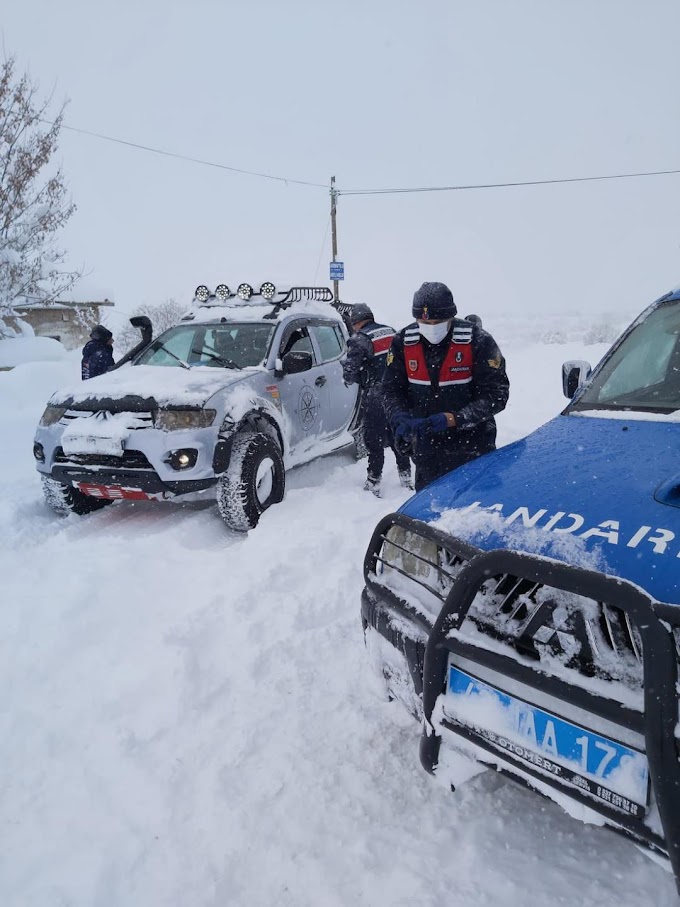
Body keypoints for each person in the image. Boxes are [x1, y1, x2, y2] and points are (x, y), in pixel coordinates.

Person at [382, 282, 509, 491]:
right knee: (429, 515)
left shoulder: (478, 341)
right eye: (424, 322)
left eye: (437, 321)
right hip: (426, 450)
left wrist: (454, 419)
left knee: (474, 513)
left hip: (473, 448)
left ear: (451, 316)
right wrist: (400, 419)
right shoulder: (404, 342)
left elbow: (497, 395)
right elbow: (391, 389)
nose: (431, 327)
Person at [343, 302, 413, 496]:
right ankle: (406, 476)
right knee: (397, 434)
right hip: (398, 393)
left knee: (373, 439)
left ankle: (373, 481)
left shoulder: (359, 339)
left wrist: (354, 374)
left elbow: (349, 371)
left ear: (356, 322)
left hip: (376, 395)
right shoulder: (390, 331)